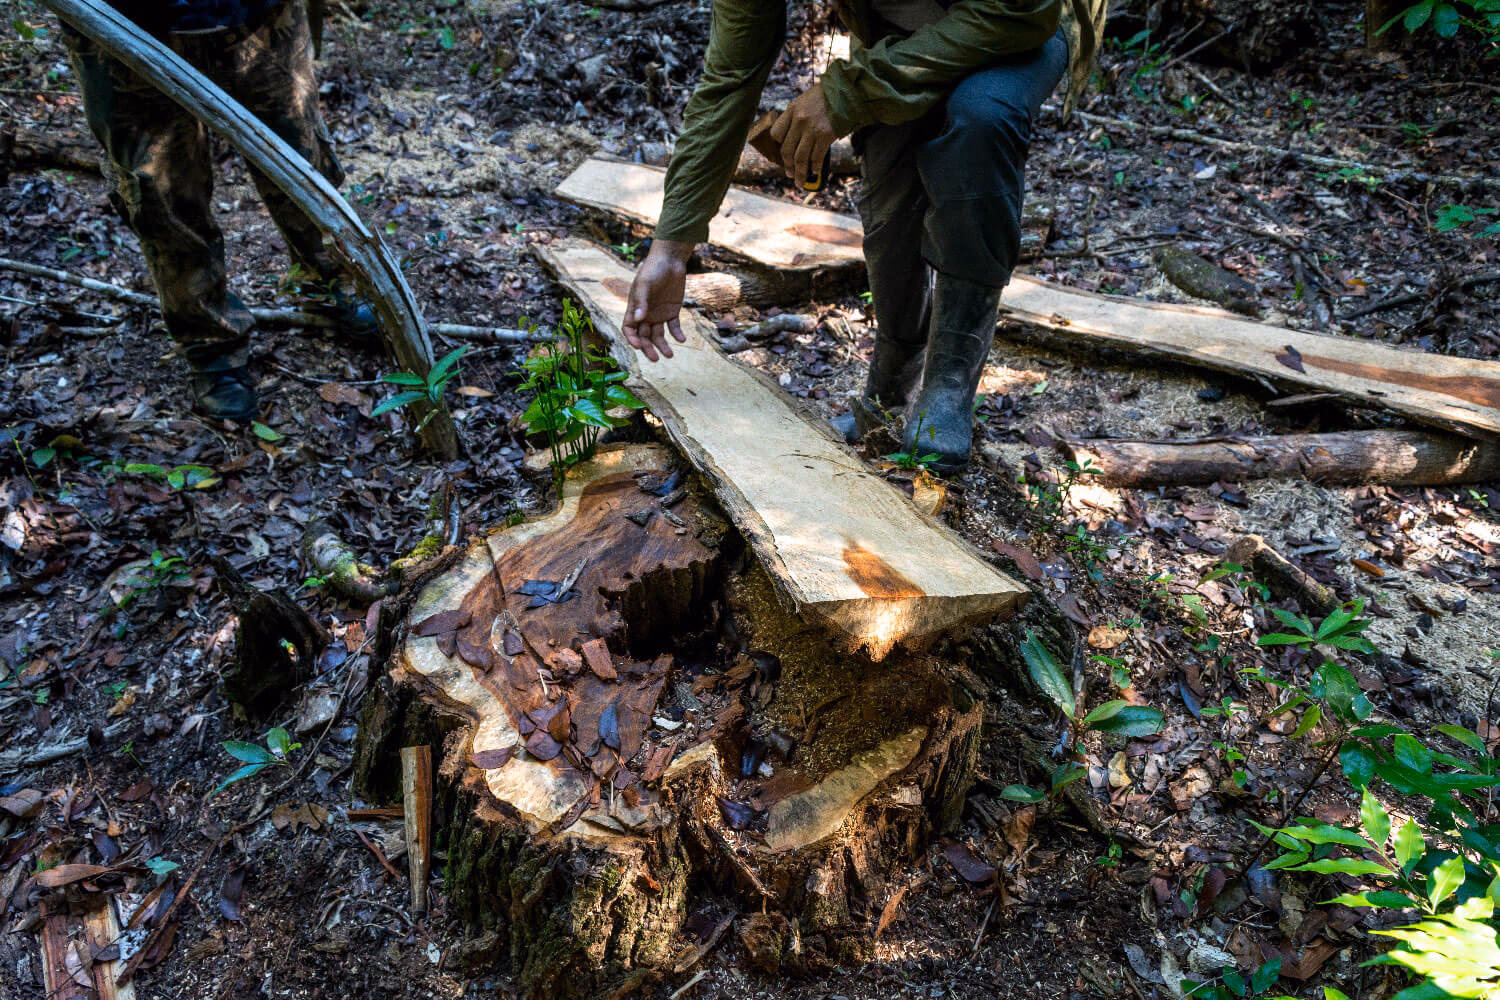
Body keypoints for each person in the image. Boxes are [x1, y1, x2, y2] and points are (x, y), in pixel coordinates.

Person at [622, 0, 1105, 474]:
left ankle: (948, 387)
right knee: (887, 163)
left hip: (1022, 22)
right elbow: (730, 79)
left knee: (982, 116)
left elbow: (1018, 13)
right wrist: (671, 246)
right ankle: (892, 386)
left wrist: (845, 95)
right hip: (905, 27)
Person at [61, 0, 375, 421]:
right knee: (162, 194)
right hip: (120, 21)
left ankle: (329, 283)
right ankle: (212, 345)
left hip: (257, 14)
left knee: (303, 163)